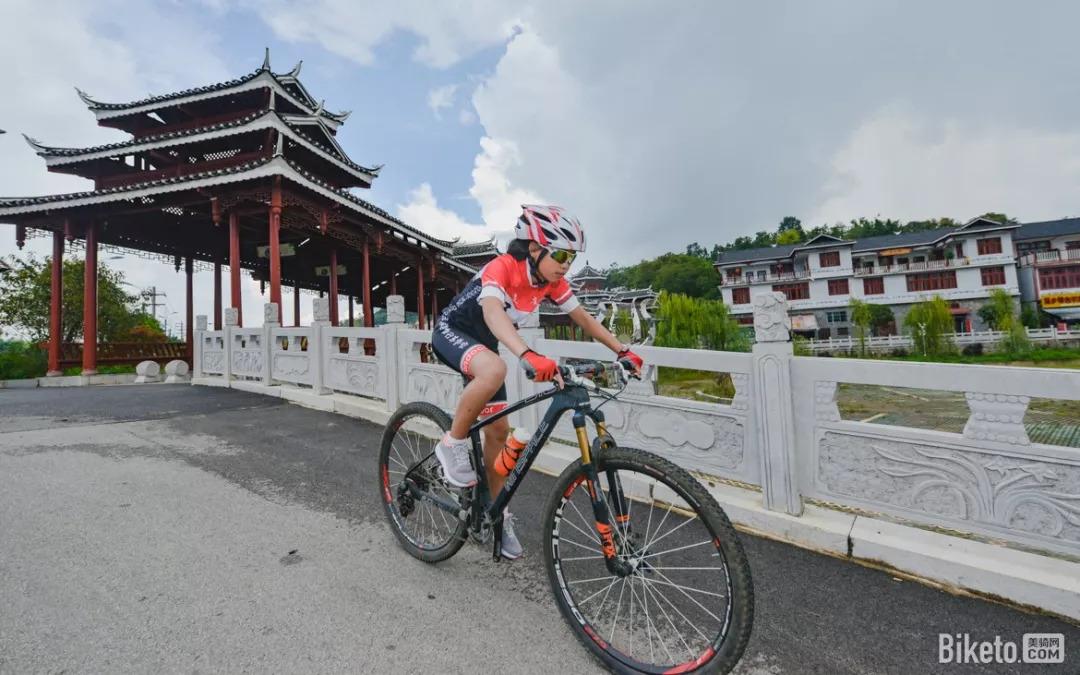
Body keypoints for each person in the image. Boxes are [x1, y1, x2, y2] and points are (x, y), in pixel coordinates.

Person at [430, 204, 644, 560]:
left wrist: (622, 350)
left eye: (572, 258)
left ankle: (496, 517)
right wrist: (527, 354)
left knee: (499, 433)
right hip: (452, 332)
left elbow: (583, 318)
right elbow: (492, 312)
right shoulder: (503, 267)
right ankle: (451, 443)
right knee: (495, 369)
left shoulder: (551, 283)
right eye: (559, 254)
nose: (566, 264)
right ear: (533, 248)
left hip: (486, 346)